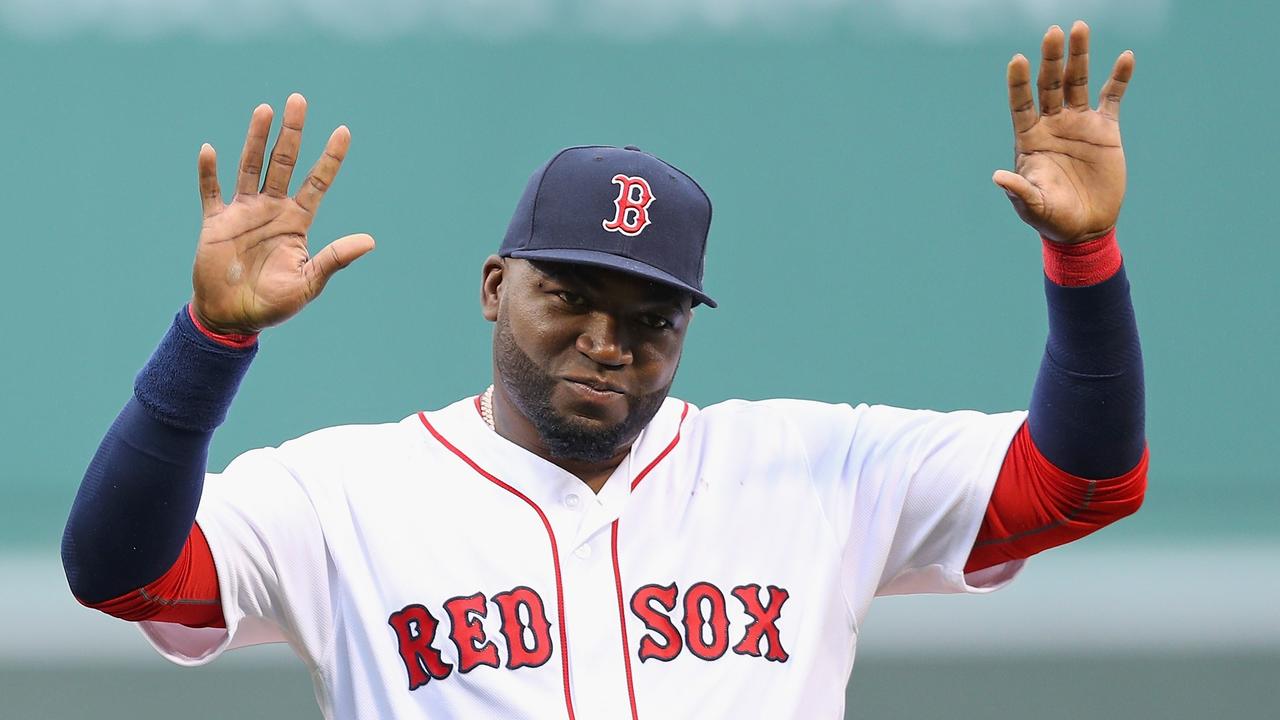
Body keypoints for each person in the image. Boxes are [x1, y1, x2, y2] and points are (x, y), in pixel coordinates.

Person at [62, 21, 1147, 720]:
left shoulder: (817, 466)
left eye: (650, 315)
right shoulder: (340, 494)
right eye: (569, 296)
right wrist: (210, 342)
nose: (605, 340)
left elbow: (1081, 477)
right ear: (494, 287)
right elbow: (121, 569)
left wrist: (1082, 258)